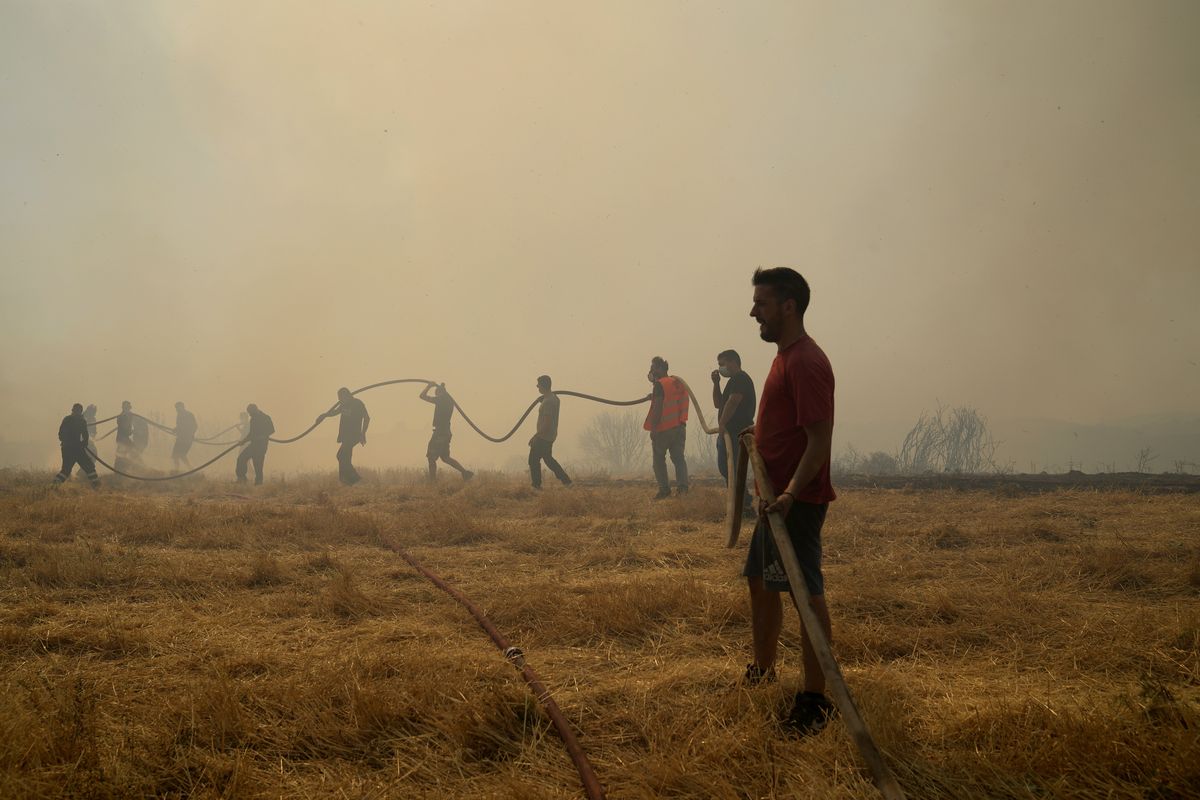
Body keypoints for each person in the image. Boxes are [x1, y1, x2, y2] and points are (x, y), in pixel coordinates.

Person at [742, 267, 837, 737]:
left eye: (761, 303)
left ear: (788, 306)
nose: (752, 311)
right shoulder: (784, 357)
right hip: (774, 501)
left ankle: (816, 700)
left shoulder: (805, 362)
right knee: (760, 581)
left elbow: (819, 441)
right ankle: (762, 673)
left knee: (805, 594)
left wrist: (789, 493)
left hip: (794, 502)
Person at [712, 349, 756, 513]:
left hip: (736, 432)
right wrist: (716, 383)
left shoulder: (741, 379)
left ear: (733, 362)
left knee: (733, 469)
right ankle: (740, 503)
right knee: (727, 468)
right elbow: (718, 403)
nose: (721, 368)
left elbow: (734, 401)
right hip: (728, 433)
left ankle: (743, 505)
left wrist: (722, 424)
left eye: (722, 364)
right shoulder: (732, 382)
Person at [644, 356, 689, 499]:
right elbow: (672, 399)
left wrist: (654, 428)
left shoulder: (660, 385)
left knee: (658, 461)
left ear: (661, 368)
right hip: (680, 427)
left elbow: (658, 407)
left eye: (653, 367)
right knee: (679, 459)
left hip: (664, 429)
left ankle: (664, 490)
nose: (651, 371)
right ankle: (683, 489)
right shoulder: (676, 382)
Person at [419, 383, 473, 482]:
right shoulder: (449, 400)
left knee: (431, 457)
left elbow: (422, 396)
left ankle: (432, 482)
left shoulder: (441, 399)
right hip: (446, 432)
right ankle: (465, 473)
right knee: (445, 457)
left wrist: (428, 386)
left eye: (437, 393)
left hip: (440, 433)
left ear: (440, 392)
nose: (436, 395)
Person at [316, 388, 370, 485]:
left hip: (354, 435)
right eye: (339, 398)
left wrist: (363, 433)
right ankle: (347, 481)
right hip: (345, 436)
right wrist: (324, 415)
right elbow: (335, 412)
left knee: (340, 455)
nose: (340, 400)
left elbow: (367, 418)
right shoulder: (344, 404)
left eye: (341, 397)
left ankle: (354, 479)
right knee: (345, 456)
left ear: (347, 395)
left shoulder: (358, 404)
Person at [528, 375, 572, 490]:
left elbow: (547, 423)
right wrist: (543, 400)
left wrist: (535, 436)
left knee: (533, 460)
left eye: (538, 384)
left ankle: (536, 486)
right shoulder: (554, 398)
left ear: (543, 386)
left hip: (543, 436)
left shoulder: (548, 402)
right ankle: (566, 481)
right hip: (550, 436)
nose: (537, 386)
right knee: (548, 459)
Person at [53, 403, 100, 489]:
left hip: (67, 449)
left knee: (66, 470)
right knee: (89, 467)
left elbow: (60, 435)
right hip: (77, 450)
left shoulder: (67, 419)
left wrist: (66, 443)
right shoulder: (81, 421)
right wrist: (82, 444)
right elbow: (85, 437)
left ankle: (54, 485)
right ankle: (97, 487)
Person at [235, 403, 274, 485]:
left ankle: (258, 484)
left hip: (261, 447)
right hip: (253, 445)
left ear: (255, 410)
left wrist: (262, 436)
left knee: (258, 465)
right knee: (241, 458)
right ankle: (242, 478)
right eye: (249, 413)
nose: (249, 414)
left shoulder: (265, 418)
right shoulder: (253, 419)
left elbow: (271, 430)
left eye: (250, 413)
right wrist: (243, 441)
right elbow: (251, 434)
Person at [172, 402, 198, 471]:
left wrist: (191, 435)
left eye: (178, 408)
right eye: (176, 408)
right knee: (176, 456)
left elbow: (195, 426)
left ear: (182, 407)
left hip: (186, 439)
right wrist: (176, 429)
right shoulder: (179, 415)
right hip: (180, 439)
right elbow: (180, 426)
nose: (177, 410)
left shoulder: (189, 415)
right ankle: (177, 470)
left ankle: (189, 469)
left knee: (180, 455)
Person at [115, 400, 137, 470]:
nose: (129, 410)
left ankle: (123, 468)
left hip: (123, 438)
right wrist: (131, 431)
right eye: (128, 408)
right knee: (122, 454)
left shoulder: (127, 416)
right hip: (122, 438)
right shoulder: (122, 417)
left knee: (126, 452)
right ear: (125, 408)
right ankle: (120, 469)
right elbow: (125, 429)